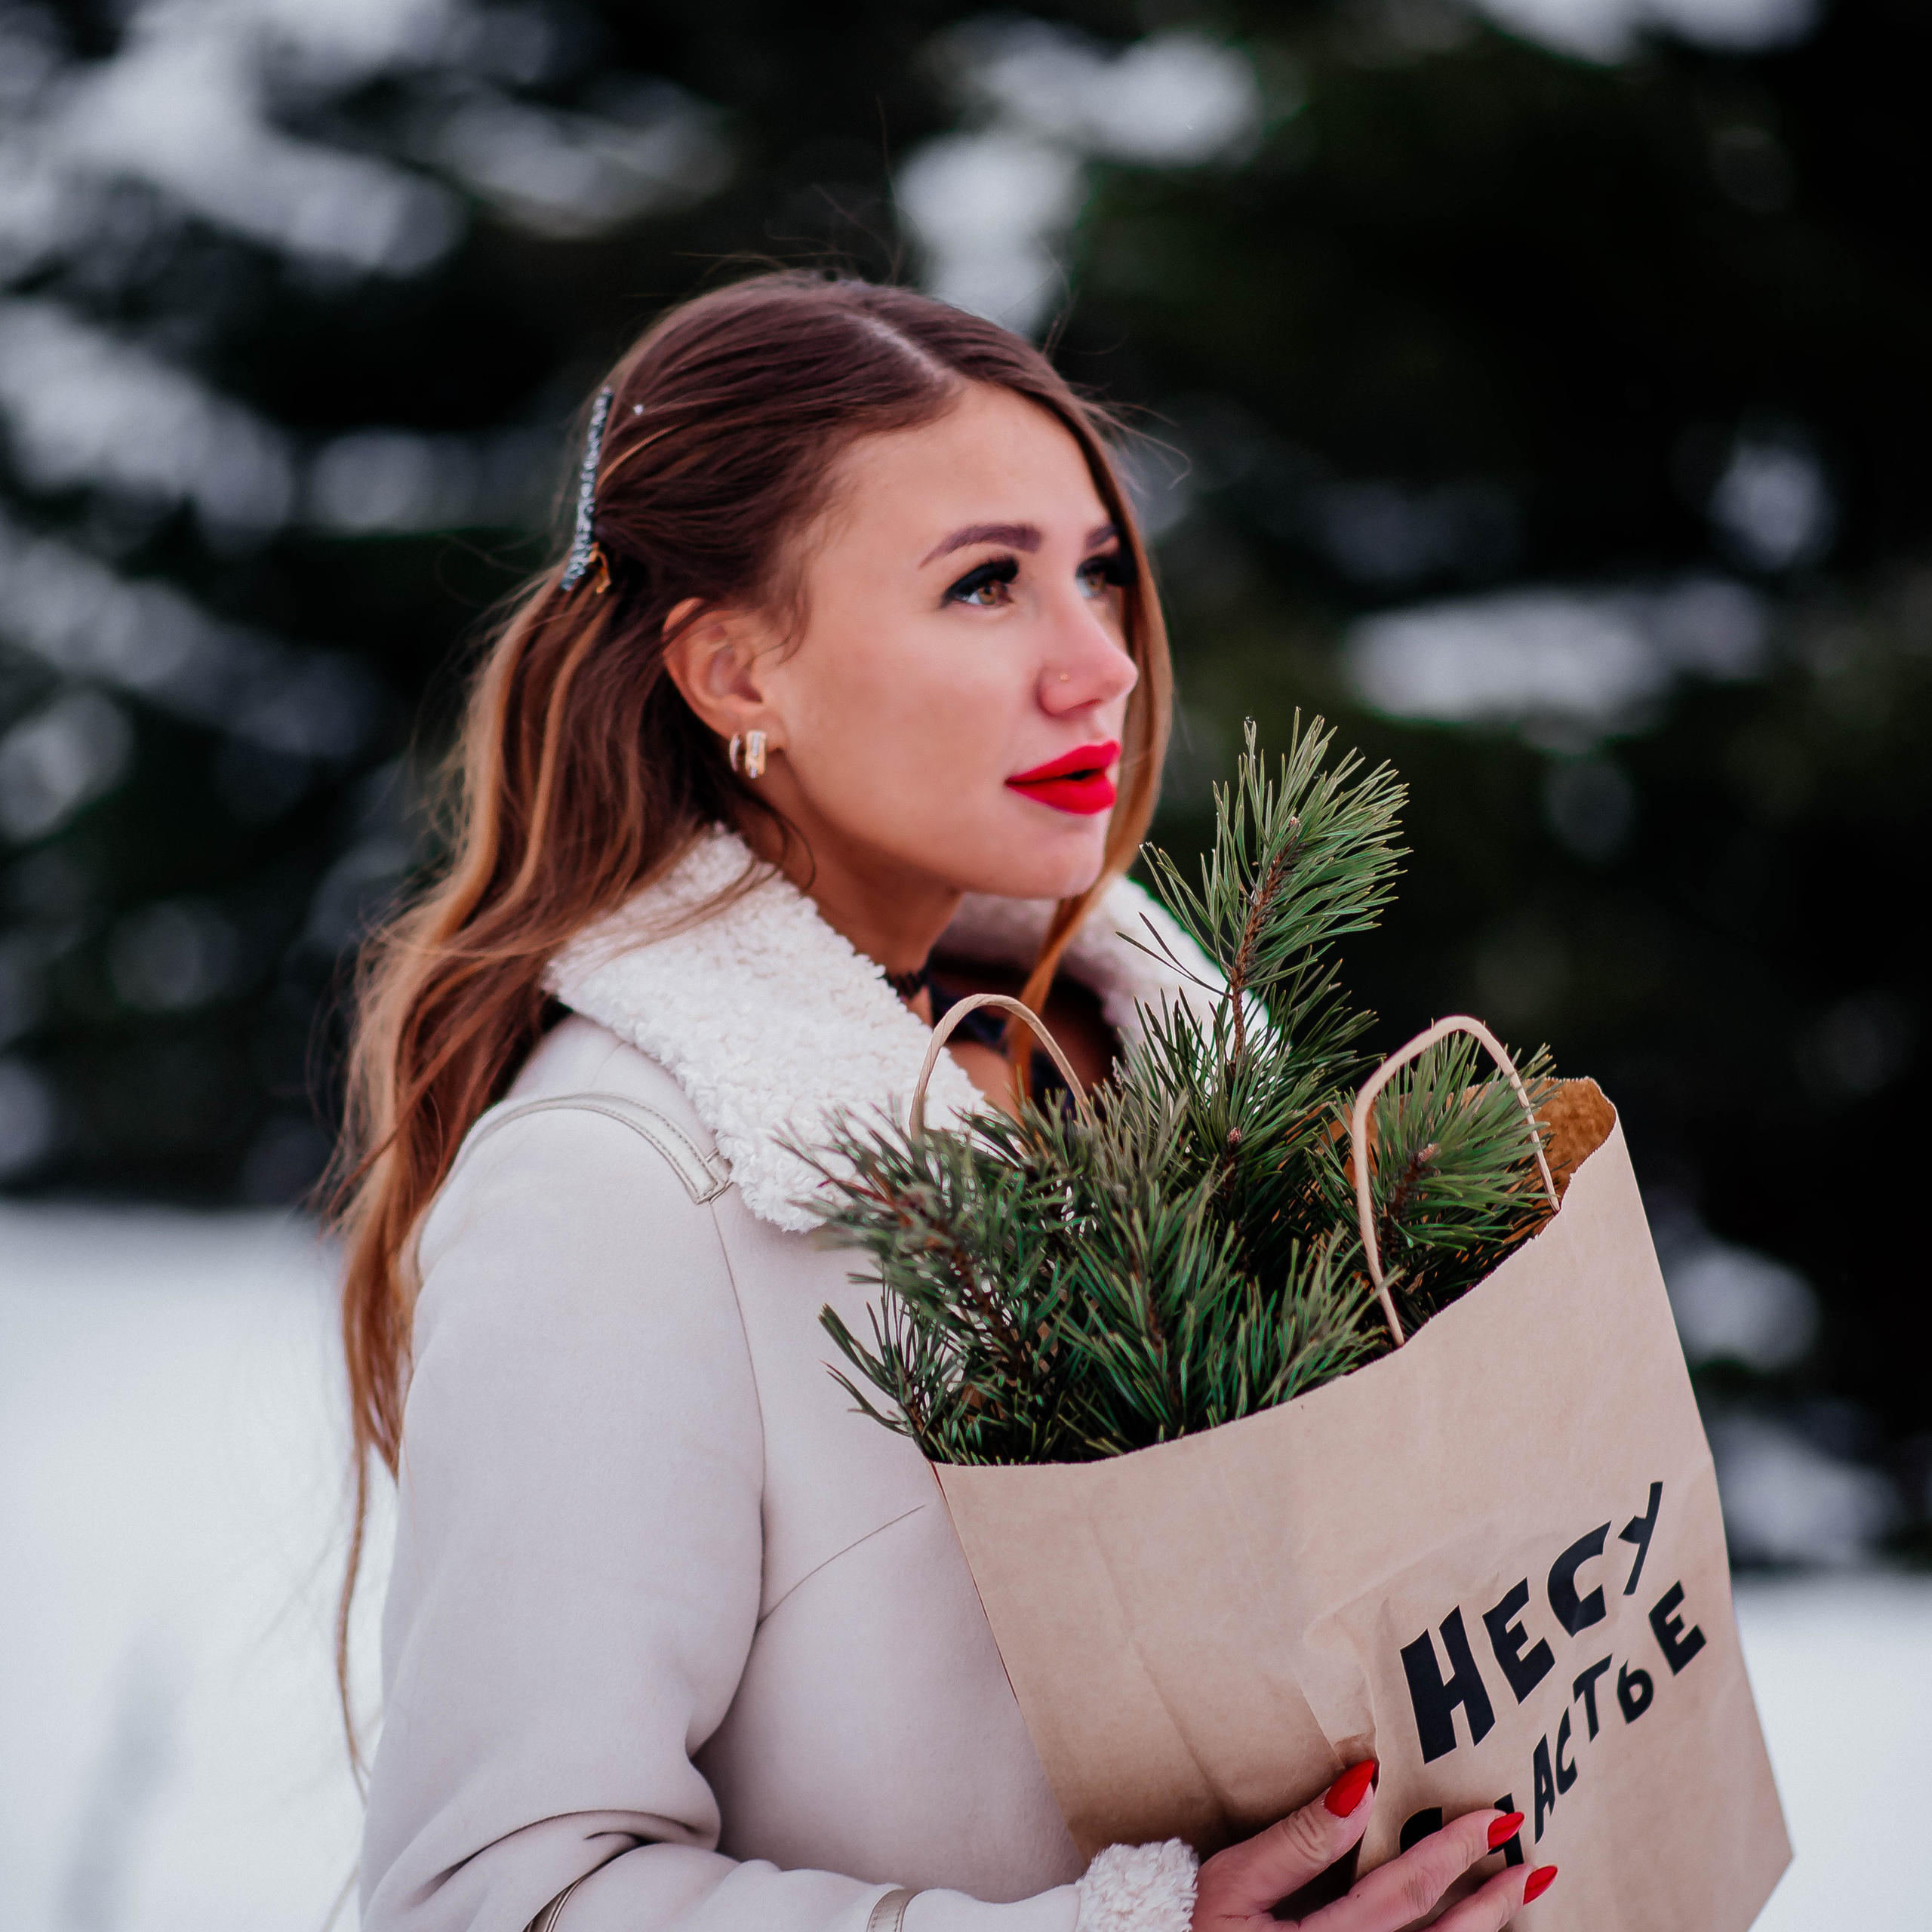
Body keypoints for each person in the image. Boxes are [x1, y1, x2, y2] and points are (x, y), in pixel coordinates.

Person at [335, 272, 1557, 1932]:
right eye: (986, 584)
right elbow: (495, 1896)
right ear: (734, 671)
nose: (1100, 667)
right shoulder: (619, 1187)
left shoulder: (1148, 1063)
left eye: (1099, 573)